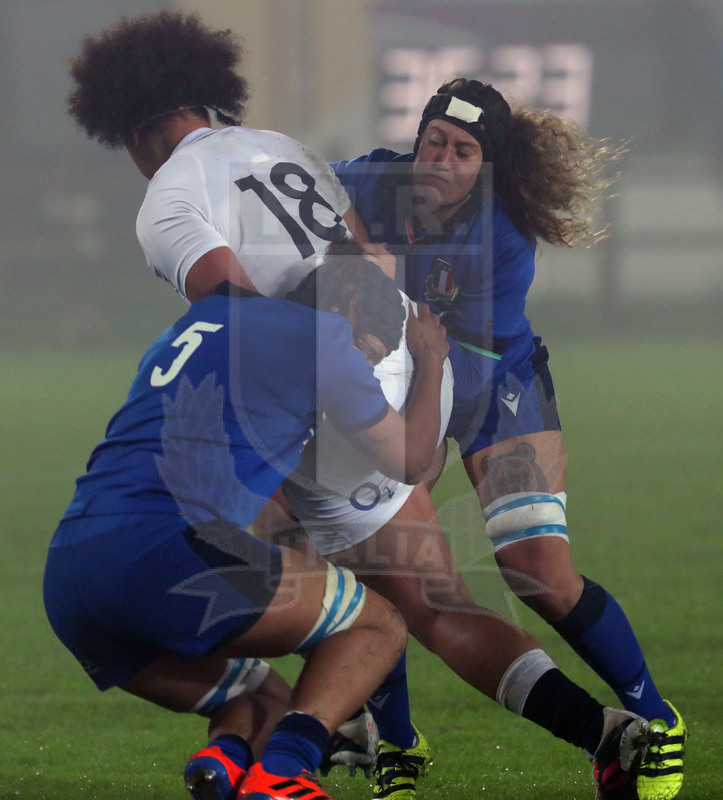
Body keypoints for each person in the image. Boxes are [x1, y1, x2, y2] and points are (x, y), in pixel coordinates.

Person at [65, 14, 663, 800]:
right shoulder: (279, 145)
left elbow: (239, 324)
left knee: (350, 591)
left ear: (130, 124)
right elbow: (368, 259)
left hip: (331, 397)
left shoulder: (169, 203)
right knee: (418, 594)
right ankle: (592, 732)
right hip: (408, 356)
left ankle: (291, 743)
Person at [331, 78, 687, 800]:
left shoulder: (500, 233)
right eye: (434, 139)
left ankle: (654, 718)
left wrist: (411, 433)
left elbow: (467, 362)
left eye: (462, 150)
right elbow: (294, 201)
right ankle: (399, 743)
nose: (442, 158)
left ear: (485, 165)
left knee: (539, 574)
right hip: (406, 382)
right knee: (386, 564)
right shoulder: (366, 180)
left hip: (495, 387)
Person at [43, 251, 451, 800]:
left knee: (265, 703)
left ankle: (221, 764)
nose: (366, 374)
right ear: (349, 324)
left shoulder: (205, 318)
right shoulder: (328, 336)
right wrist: (428, 358)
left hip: (71, 571)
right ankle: (286, 776)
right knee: (378, 626)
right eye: (370, 358)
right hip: (167, 550)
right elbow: (413, 460)